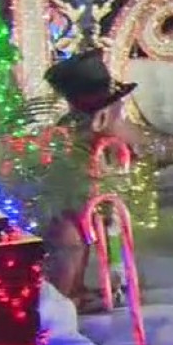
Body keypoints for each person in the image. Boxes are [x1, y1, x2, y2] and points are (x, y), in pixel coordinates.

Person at [41, 49, 142, 311]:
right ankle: (63, 298)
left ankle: (75, 290)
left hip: (88, 189)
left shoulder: (86, 122)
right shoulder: (85, 126)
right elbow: (120, 135)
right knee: (70, 243)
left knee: (82, 241)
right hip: (74, 191)